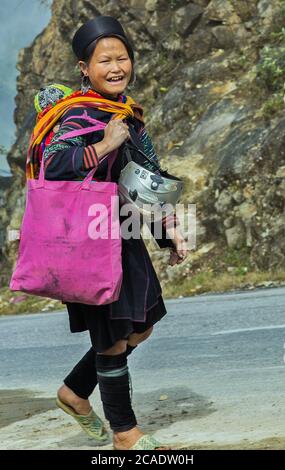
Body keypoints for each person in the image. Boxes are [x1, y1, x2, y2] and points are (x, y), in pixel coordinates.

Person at [36, 16, 188, 451]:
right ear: (85, 67)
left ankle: (73, 392)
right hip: (88, 241)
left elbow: (144, 178)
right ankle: (125, 433)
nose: (117, 66)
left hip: (124, 236)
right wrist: (103, 144)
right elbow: (53, 166)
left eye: (122, 57)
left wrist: (169, 231)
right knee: (112, 337)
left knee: (141, 327)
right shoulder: (77, 114)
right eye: (105, 60)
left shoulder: (126, 114)